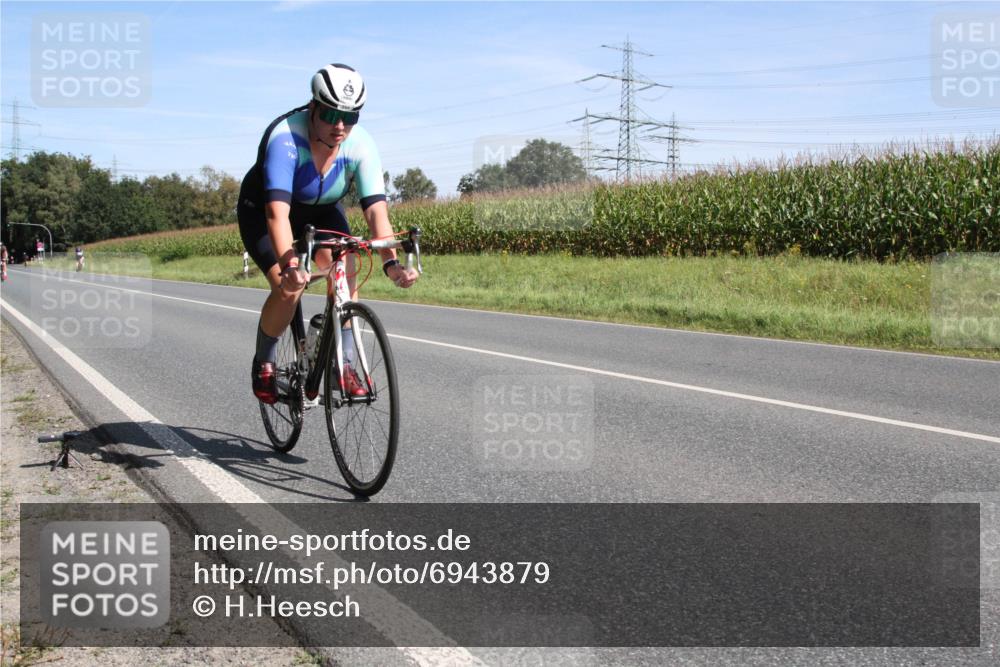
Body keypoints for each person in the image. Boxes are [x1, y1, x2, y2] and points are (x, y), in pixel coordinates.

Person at [238, 63, 419, 404]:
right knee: (288, 287)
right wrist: (291, 267)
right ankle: (264, 360)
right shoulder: (285, 138)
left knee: (346, 268)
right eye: (331, 114)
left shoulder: (361, 145)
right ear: (313, 107)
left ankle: (345, 366)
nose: (340, 126)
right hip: (266, 211)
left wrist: (390, 263)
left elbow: (375, 212)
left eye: (350, 117)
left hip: (321, 210)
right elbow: (277, 214)